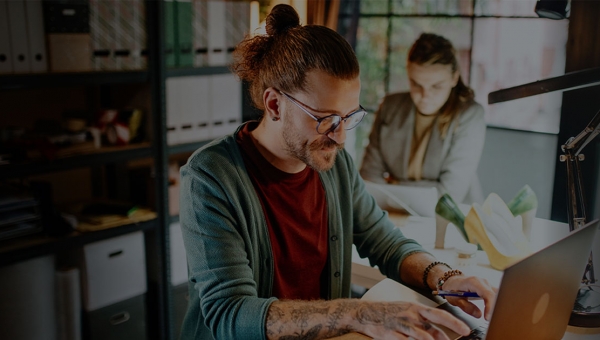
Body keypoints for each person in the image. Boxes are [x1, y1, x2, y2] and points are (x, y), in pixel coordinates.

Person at [179, 5, 495, 340]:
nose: (341, 137)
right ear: (274, 105)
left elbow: (385, 242)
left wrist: (445, 278)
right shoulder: (209, 178)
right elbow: (232, 314)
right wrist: (360, 313)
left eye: (349, 117)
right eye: (327, 120)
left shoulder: (332, 163)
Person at [360, 33, 486, 204]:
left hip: (451, 217)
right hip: (391, 216)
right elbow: (369, 177)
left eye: (436, 86)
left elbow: (448, 194)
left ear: (454, 78)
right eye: (416, 84)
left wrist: (394, 185)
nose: (425, 96)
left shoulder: (470, 115)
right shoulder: (390, 106)